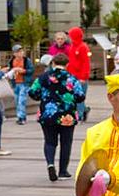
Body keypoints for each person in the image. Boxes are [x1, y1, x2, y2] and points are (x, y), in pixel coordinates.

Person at [29, 52, 86, 180]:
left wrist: (43, 97)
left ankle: (50, 164)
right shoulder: (71, 78)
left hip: (48, 114)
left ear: (53, 63)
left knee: (49, 141)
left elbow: (32, 92)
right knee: (66, 142)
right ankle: (63, 171)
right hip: (67, 116)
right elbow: (80, 96)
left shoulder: (43, 77)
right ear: (67, 64)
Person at [66, 27, 92, 122]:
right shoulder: (72, 47)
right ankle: (83, 110)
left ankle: (80, 116)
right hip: (72, 75)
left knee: (79, 97)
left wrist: (84, 76)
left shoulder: (82, 47)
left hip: (80, 77)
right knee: (74, 96)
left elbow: (86, 63)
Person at [10, 44, 35, 124]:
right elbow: (10, 70)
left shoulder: (26, 60)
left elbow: (31, 70)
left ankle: (21, 117)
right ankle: (20, 116)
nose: (20, 53)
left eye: (21, 51)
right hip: (15, 83)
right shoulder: (11, 61)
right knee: (17, 101)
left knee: (21, 100)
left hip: (24, 83)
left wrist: (23, 71)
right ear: (14, 53)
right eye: (18, 52)